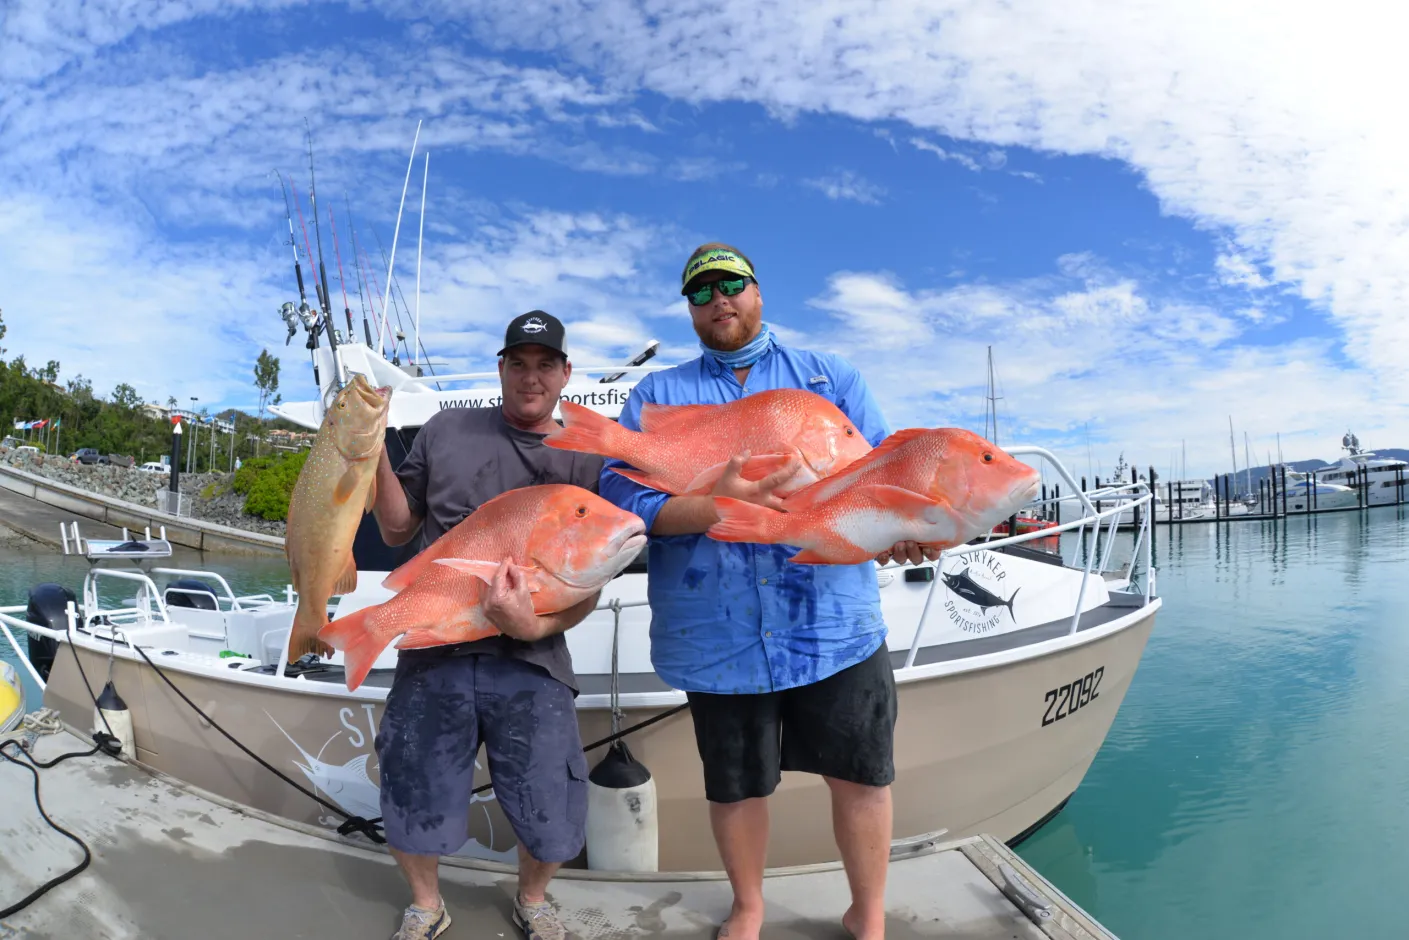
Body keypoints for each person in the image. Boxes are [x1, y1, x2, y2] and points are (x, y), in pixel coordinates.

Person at [598, 243, 935, 940]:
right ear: (689, 309)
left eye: (731, 284)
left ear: (756, 290)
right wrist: (709, 505)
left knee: (863, 776)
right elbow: (619, 496)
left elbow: (879, 475)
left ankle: (867, 915)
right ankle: (747, 906)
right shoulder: (655, 397)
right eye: (700, 292)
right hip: (715, 632)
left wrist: (902, 528)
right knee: (736, 784)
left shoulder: (829, 377)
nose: (718, 299)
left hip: (833, 623)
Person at [369, 310, 602, 940]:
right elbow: (396, 529)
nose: (531, 378)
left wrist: (530, 627)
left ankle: (534, 898)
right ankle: (426, 904)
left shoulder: (584, 456)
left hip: (534, 656)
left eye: (545, 365)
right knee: (413, 777)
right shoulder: (445, 430)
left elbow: (589, 584)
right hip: (438, 645)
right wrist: (372, 456)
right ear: (500, 368)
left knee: (550, 793)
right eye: (518, 364)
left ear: (565, 373)